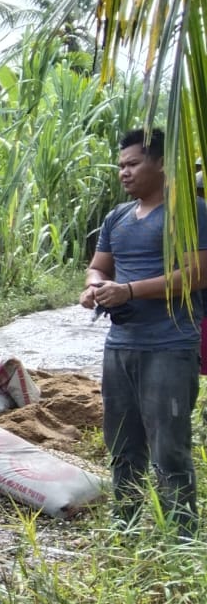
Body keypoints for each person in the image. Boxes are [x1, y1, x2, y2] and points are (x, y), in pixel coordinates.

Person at [81, 128, 207, 528]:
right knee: (121, 446)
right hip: (120, 345)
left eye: (133, 164)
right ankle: (127, 527)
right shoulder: (117, 217)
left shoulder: (190, 214)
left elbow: (196, 274)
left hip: (169, 346)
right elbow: (100, 265)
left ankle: (180, 536)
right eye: (121, 165)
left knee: (169, 449)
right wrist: (94, 287)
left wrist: (130, 291)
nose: (124, 172)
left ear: (162, 164)